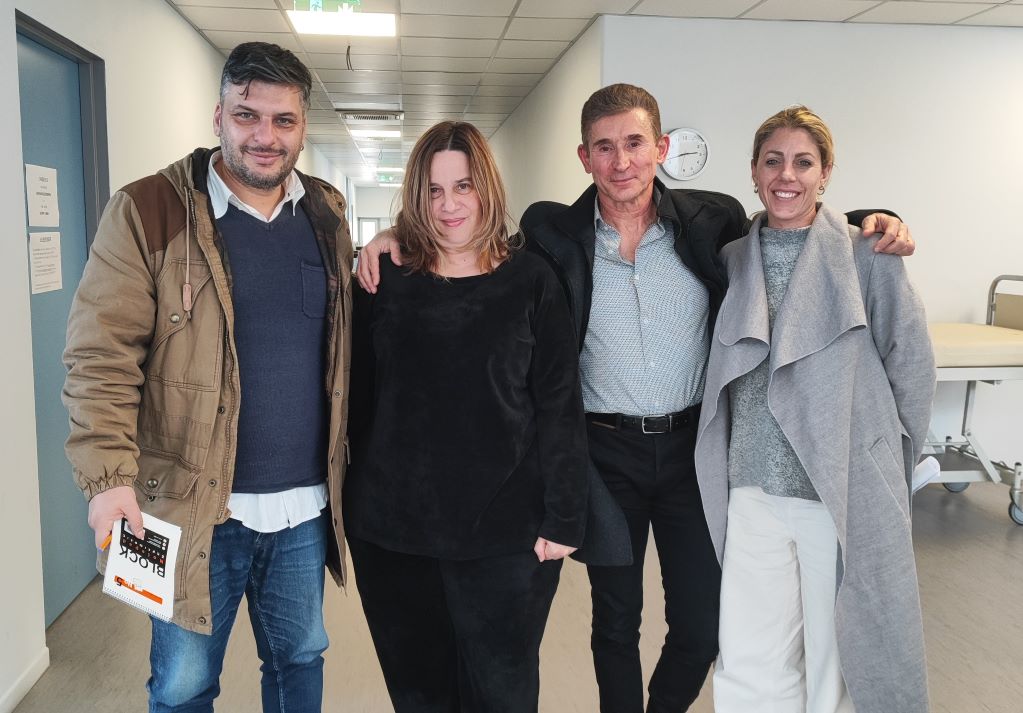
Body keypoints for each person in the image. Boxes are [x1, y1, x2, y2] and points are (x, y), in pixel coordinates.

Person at [356, 84, 914, 713]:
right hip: (605, 452)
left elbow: (788, 222)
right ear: (584, 157)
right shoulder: (551, 232)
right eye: (603, 147)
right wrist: (392, 236)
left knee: (701, 625)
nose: (620, 161)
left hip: (691, 451)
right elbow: (467, 243)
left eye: (634, 143)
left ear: (660, 148)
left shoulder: (713, 221)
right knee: (615, 622)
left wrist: (874, 218)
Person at [62, 42, 353, 712]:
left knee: (300, 659)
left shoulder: (326, 212)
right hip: (183, 507)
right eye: (247, 115)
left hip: (303, 506)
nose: (265, 135)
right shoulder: (147, 209)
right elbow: (100, 357)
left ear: (302, 126)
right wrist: (107, 481)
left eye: (283, 120)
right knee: (183, 683)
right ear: (217, 116)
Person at [694, 106, 934, 713]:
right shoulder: (732, 259)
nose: (787, 175)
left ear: (825, 173)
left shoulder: (868, 255)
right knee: (750, 653)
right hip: (751, 485)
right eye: (773, 161)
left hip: (836, 484)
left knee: (837, 652)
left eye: (803, 162)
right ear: (753, 171)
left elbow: (911, 362)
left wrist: (891, 463)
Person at [344, 120, 588, 713]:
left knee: (501, 693)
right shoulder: (384, 280)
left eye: (463, 186)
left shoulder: (532, 281)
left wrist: (564, 517)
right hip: (395, 534)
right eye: (433, 190)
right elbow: (358, 402)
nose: (449, 205)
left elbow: (559, 404)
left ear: (487, 189)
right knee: (419, 693)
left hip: (505, 534)